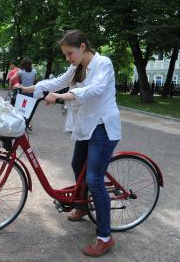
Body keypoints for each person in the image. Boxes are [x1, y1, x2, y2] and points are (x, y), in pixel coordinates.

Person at [15, 30, 121, 257]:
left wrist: (62, 96)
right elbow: (57, 82)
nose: (67, 58)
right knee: (77, 165)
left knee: (94, 179)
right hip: (86, 126)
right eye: (65, 54)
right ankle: (82, 205)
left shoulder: (104, 63)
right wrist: (27, 89)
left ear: (82, 47)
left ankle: (105, 236)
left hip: (103, 126)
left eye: (69, 53)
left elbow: (96, 90)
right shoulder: (76, 68)